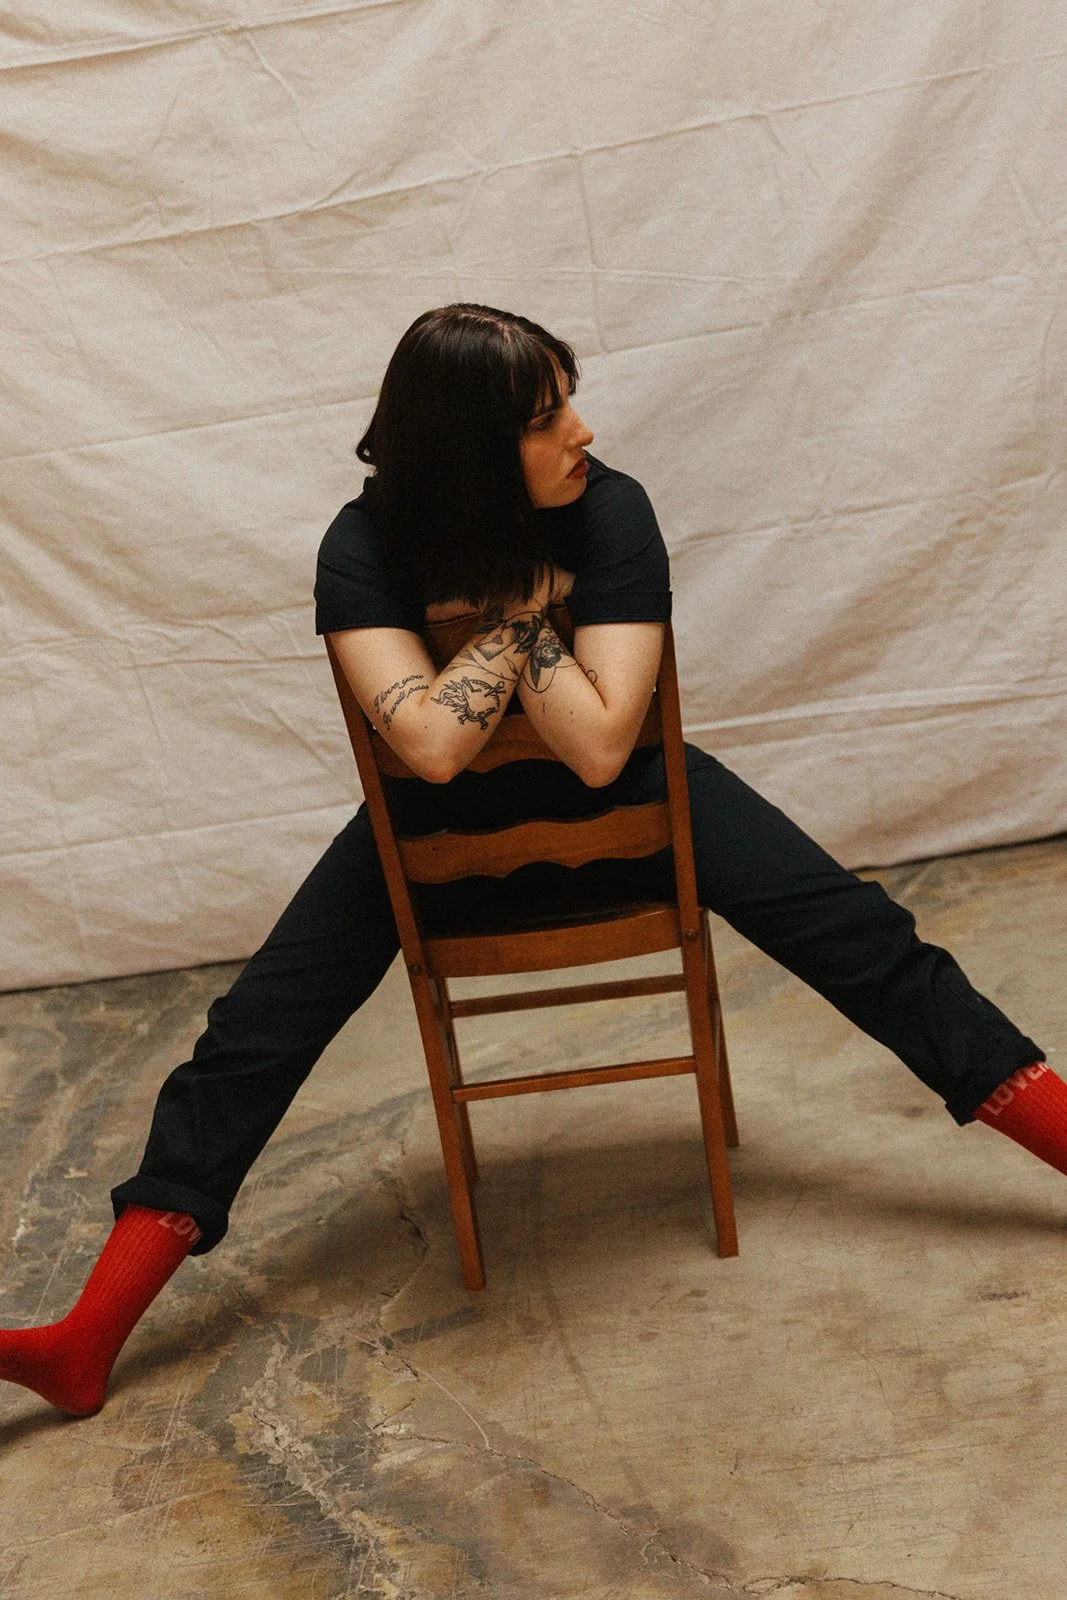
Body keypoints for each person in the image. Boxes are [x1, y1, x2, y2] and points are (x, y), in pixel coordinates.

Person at [1, 304, 1060, 1419]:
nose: (583, 432)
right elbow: (429, 750)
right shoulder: (358, 547)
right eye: (548, 415)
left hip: (644, 809)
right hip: (430, 836)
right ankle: (84, 1342)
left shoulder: (611, 511)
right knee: (251, 1036)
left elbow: (604, 748)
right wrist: (516, 617)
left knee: (866, 941)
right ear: (469, 448)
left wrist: (490, 620)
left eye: (568, 401)